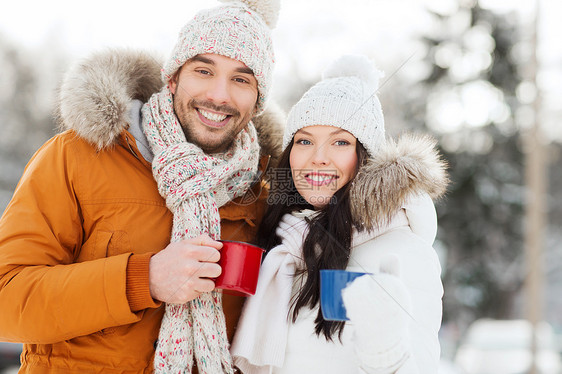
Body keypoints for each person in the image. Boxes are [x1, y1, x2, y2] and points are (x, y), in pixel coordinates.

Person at [0, 0, 284, 373]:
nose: (219, 95)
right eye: (203, 70)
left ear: (257, 100)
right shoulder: (77, 156)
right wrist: (143, 279)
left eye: (241, 79)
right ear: (173, 78)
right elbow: (8, 301)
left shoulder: (260, 192)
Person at [231, 54, 449, 373]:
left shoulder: (404, 251)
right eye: (304, 141)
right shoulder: (281, 246)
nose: (318, 158)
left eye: (340, 142)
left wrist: (386, 348)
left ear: (365, 158)